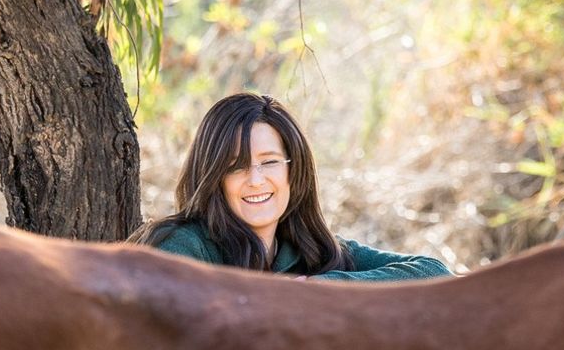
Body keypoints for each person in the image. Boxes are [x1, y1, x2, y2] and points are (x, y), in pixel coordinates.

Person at [131, 93, 452, 281]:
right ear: (213, 175)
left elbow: (433, 273)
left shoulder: (314, 248)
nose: (255, 179)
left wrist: (318, 290)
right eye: (235, 166)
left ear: (292, 171)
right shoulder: (182, 245)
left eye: (269, 162)